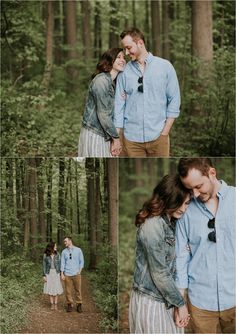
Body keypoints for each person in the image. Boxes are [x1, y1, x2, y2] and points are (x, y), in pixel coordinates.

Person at [175, 158, 236, 333]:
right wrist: (181, 304)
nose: (194, 194)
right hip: (200, 304)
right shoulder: (185, 210)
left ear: (212, 173)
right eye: (189, 189)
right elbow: (181, 258)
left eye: (199, 186)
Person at [129, 174, 191, 334]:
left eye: (187, 203)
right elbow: (159, 273)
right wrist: (181, 304)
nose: (184, 209)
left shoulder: (171, 221)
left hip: (167, 296)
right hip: (152, 300)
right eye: (180, 203)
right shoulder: (153, 226)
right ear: (168, 199)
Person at [113, 27, 181, 157]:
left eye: (129, 48)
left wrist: (164, 133)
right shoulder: (124, 72)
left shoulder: (165, 67)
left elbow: (174, 100)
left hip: (159, 137)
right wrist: (117, 138)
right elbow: (119, 106)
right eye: (124, 49)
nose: (126, 53)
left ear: (140, 43)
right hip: (131, 140)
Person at [78, 48, 126, 157]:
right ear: (110, 60)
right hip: (96, 133)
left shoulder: (113, 84)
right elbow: (103, 114)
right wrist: (116, 139)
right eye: (118, 57)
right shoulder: (101, 81)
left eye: (124, 57)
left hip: (107, 133)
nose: (123, 60)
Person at [61, 236, 84, 313]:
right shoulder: (64, 252)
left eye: (65, 241)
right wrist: (62, 273)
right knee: (68, 291)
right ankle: (69, 304)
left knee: (78, 290)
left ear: (70, 241)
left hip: (76, 274)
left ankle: (79, 304)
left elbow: (81, 261)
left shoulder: (78, 250)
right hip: (67, 274)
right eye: (64, 241)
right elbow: (62, 263)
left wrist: (80, 271)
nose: (64, 243)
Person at [43, 241, 63, 310]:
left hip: (56, 273)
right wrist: (44, 275)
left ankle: (56, 303)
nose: (56, 247)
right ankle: (52, 304)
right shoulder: (46, 255)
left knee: (56, 287)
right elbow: (44, 265)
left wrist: (61, 273)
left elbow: (60, 264)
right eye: (55, 246)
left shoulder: (58, 254)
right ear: (51, 247)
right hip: (49, 273)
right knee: (50, 287)